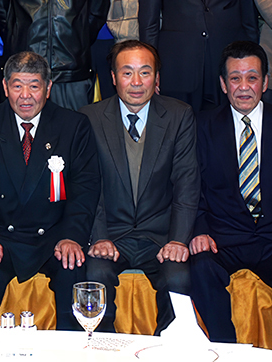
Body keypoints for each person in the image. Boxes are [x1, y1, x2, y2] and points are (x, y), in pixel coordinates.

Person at [190, 41, 272, 354]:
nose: (243, 87)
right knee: (201, 268)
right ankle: (227, 352)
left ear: (265, 82)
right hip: (223, 238)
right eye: (235, 78)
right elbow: (193, 185)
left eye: (252, 78)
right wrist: (199, 229)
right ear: (223, 84)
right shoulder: (202, 125)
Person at [0, 51, 101, 330]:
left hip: (54, 235)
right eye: (17, 86)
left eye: (34, 86)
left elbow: (85, 189)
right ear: (5, 87)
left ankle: (71, 349)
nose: (25, 96)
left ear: (48, 88)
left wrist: (72, 236)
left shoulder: (73, 126)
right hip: (4, 235)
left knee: (72, 265)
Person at [80, 40, 199, 334]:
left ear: (156, 78)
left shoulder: (179, 115)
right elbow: (88, 186)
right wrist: (99, 236)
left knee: (178, 280)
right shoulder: (89, 118)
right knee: (95, 276)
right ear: (113, 77)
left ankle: (167, 349)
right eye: (127, 73)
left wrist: (178, 240)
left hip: (160, 236)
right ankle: (102, 350)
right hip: (111, 234)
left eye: (145, 73)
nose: (136, 82)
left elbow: (186, 182)